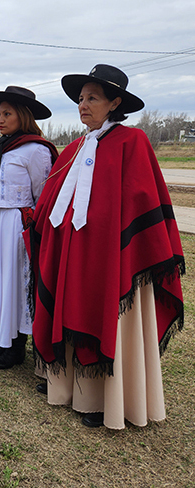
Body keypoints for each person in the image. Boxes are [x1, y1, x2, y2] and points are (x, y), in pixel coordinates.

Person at [31, 64, 184, 430]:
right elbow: (54, 196)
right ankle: (63, 384)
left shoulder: (132, 142)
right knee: (68, 305)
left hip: (110, 254)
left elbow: (141, 197)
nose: (83, 105)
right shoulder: (75, 148)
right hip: (72, 250)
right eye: (81, 98)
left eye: (93, 98)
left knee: (102, 312)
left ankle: (100, 400)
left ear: (115, 103)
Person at [0, 86, 58, 369]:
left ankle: (17, 345)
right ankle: (1, 338)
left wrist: (31, 225)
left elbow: (43, 194)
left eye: (7, 114)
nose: (0, 119)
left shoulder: (36, 150)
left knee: (14, 282)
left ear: (23, 115)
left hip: (15, 224)